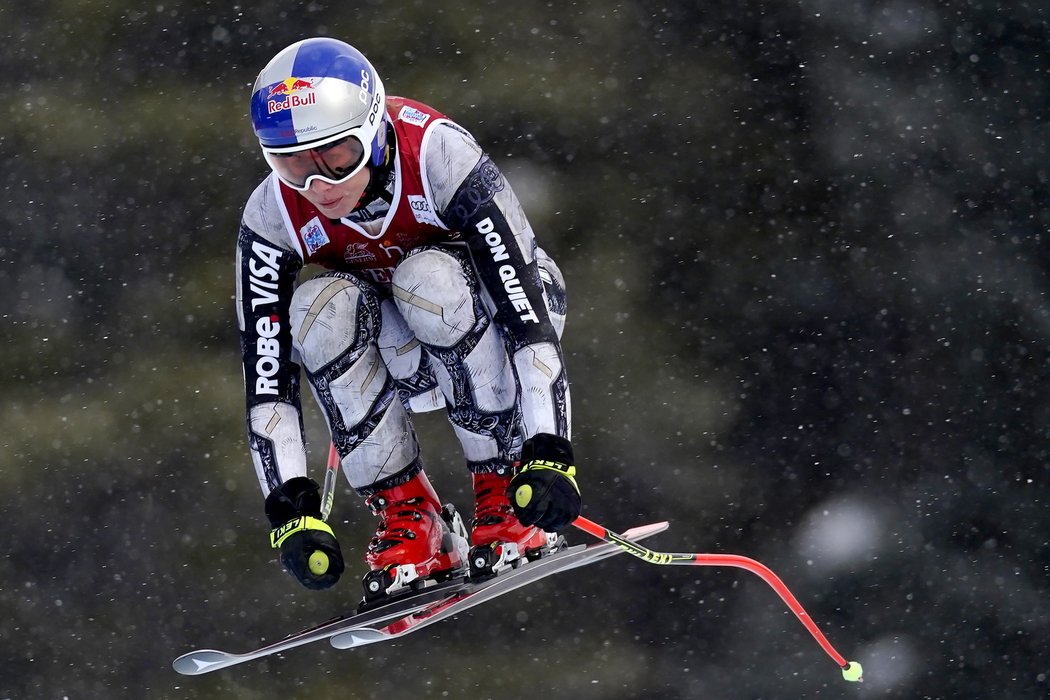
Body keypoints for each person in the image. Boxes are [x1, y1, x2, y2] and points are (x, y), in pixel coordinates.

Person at [235, 37, 582, 597]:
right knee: (316, 309)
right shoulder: (272, 213)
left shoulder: (439, 155)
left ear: (372, 131)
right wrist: (289, 508)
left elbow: (528, 316)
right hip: (402, 347)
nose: (316, 184)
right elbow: (267, 377)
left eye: (336, 155)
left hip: (506, 310)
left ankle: (503, 484)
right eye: (291, 162)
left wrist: (550, 449)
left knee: (428, 278)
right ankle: (411, 518)